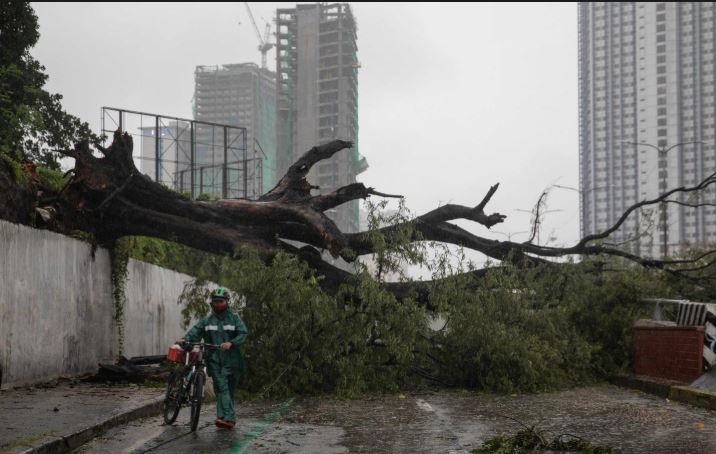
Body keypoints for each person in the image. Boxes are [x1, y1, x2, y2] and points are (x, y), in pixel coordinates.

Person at [179, 287, 248, 429]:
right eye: (215, 301)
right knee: (222, 387)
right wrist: (185, 339)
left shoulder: (234, 318)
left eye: (221, 301)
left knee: (227, 389)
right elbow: (195, 332)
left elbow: (243, 333)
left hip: (232, 359)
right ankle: (229, 419)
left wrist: (231, 343)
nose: (218, 304)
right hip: (214, 359)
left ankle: (221, 417)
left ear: (227, 302)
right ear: (212, 303)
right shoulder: (207, 320)